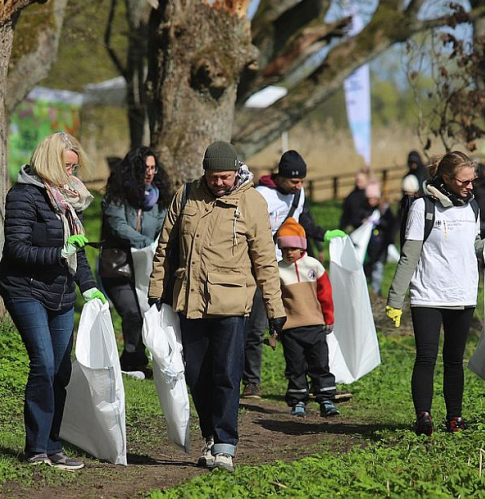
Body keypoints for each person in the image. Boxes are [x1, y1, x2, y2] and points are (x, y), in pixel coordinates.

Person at [148, 141, 286, 474]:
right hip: (190, 300)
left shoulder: (252, 202)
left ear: (236, 171)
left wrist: (274, 308)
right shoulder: (185, 196)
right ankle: (209, 434)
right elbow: (165, 248)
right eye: (213, 177)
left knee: (225, 373)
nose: (219, 183)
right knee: (196, 375)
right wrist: (156, 292)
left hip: (232, 303)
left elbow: (265, 260)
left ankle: (225, 445)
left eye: (224, 177)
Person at [0, 132, 106, 470]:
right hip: (25, 289)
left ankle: (52, 444)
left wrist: (88, 286)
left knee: (61, 370)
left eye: (75, 167)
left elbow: (79, 251)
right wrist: (59, 252)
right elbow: (16, 248)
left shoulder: (71, 199)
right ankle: (35, 449)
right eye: (67, 167)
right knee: (43, 364)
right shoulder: (23, 195)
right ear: (49, 163)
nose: (72, 174)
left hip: (60, 292)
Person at [385, 151, 483, 436]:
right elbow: (410, 255)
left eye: (472, 181)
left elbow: (473, 246)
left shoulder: (472, 209)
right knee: (426, 358)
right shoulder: (423, 208)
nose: (470, 186)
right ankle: (423, 416)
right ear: (446, 179)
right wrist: (395, 299)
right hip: (428, 294)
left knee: (455, 360)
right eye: (464, 181)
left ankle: (455, 418)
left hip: (463, 295)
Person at [242, 150, 346, 399]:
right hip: (261, 268)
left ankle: (311, 382)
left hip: (291, 268)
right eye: (294, 181)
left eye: (302, 182)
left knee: (304, 325)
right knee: (256, 328)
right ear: (281, 177)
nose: (299, 186)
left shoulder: (299, 194)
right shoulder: (260, 195)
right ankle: (251, 383)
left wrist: (325, 234)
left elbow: (304, 223)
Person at [100, 146, 172, 375]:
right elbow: (119, 226)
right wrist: (146, 243)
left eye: (153, 167)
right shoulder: (116, 196)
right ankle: (132, 358)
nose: (149, 173)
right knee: (132, 311)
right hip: (119, 266)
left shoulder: (159, 198)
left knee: (147, 310)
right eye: (144, 168)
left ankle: (141, 358)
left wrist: (157, 246)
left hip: (148, 264)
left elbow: (164, 226)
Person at [274, 218, 339, 418]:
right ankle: (298, 401)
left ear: (301, 247)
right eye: (285, 248)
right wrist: (275, 327)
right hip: (290, 327)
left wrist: (328, 318)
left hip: (315, 325)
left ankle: (326, 398)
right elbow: (273, 299)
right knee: (295, 366)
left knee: (320, 363)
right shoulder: (277, 270)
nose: (289, 252)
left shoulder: (314, 266)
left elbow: (325, 294)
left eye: (293, 248)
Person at [362, 180, 396, 295]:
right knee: (368, 267)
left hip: (380, 245)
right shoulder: (365, 209)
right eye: (369, 199)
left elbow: (391, 225)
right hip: (368, 245)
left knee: (378, 268)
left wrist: (379, 223)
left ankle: (376, 291)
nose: (371, 201)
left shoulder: (384, 211)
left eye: (373, 199)